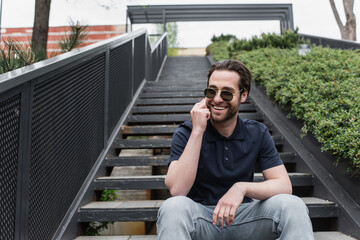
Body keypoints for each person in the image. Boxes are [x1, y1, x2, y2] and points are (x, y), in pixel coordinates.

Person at [156, 59, 314, 240]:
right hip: (200, 219)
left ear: (243, 95)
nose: (217, 99)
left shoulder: (257, 132)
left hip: (245, 218)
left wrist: (242, 188)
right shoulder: (187, 133)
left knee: (293, 205)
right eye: (211, 91)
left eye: (227, 93)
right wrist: (198, 130)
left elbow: (283, 185)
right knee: (173, 207)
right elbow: (177, 190)